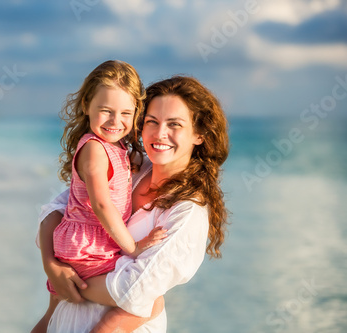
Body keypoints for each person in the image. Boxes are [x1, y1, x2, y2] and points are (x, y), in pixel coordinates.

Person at [36, 75, 230, 332]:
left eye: (175, 124)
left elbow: (136, 290)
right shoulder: (131, 167)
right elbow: (57, 210)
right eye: (152, 121)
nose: (160, 133)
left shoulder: (187, 211)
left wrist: (70, 285)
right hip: (66, 320)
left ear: (199, 134)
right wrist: (51, 266)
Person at [32, 60, 167, 332]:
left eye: (126, 113)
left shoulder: (116, 148)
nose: (116, 122)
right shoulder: (94, 150)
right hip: (87, 248)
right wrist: (134, 247)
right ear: (86, 106)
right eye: (106, 111)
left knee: (51, 315)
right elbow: (102, 204)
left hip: (83, 246)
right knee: (150, 300)